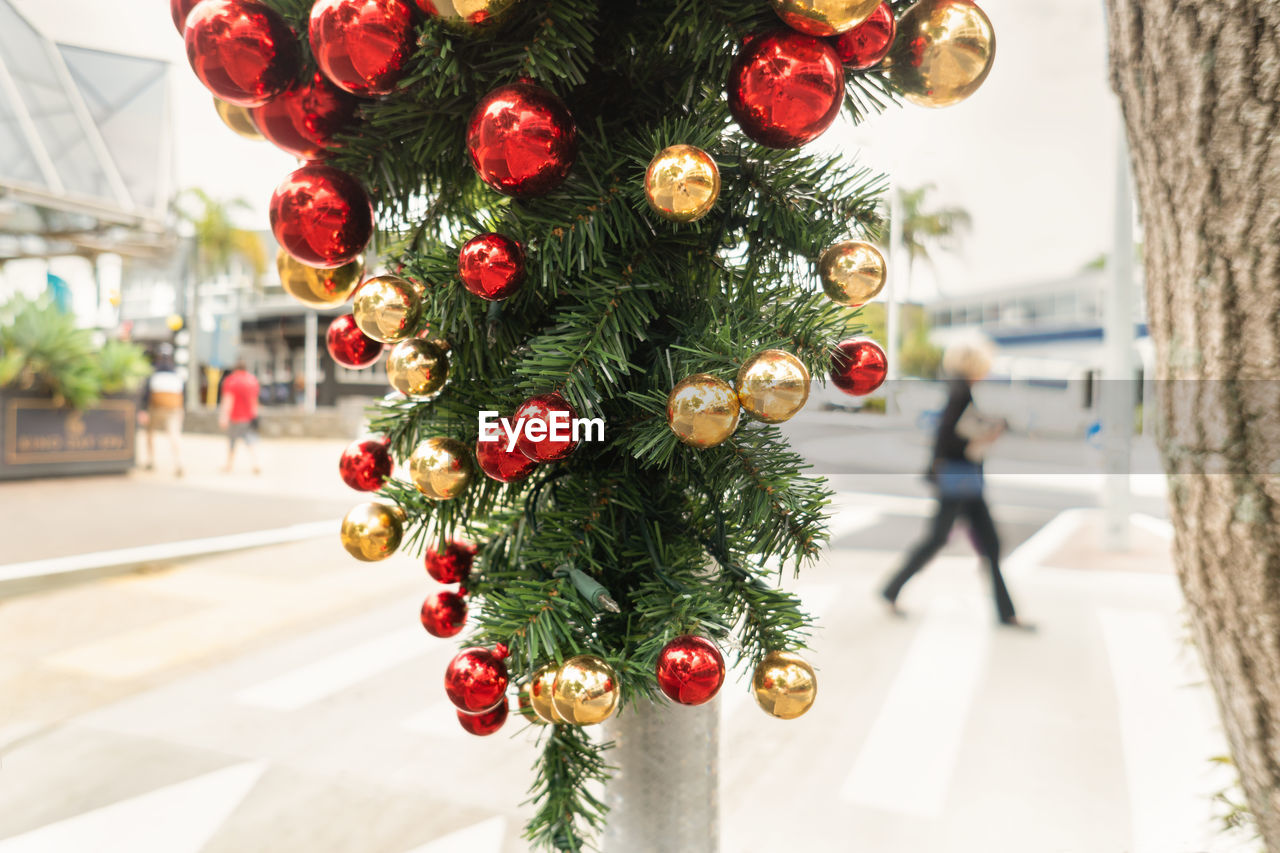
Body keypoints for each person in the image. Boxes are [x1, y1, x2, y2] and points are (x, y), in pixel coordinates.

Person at [881, 337, 1029, 629]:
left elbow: (947, 435)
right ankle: (891, 589)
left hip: (963, 480)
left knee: (985, 543)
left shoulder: (959, 389)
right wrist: (985, 434)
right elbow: (949, 437)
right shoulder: (961, 391)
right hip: (960, 479)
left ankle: (1007, 613)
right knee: (950, 540)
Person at [138, 347, 184, 477]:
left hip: (156, 408)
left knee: (150, 434)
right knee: (174, 435)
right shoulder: (177, 374)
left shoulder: (153, 373)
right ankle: (178, 462)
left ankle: (151, 460)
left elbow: (146, 394)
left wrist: (143, 410)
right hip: (174, 409)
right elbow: (182, 395)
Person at [219, 361, 261, 474]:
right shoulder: (252, 380)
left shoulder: (231, 380)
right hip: (248, 417)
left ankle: (229, 465)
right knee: (250, 441)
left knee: (232, 441)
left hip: (235, 417)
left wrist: (224, 417)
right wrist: (255, 415)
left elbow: (228, 400)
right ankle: (256, 463)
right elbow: (254, 400)